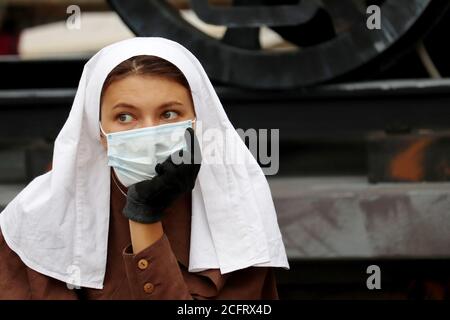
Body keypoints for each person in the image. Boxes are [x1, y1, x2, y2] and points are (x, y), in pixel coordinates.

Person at [0, 37, 289, 299]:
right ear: (99, 131)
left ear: (197, 123)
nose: (150, 134)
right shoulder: (37, 220)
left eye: (168, 114)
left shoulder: (238, 211)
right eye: (125, 117)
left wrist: (144, 218)